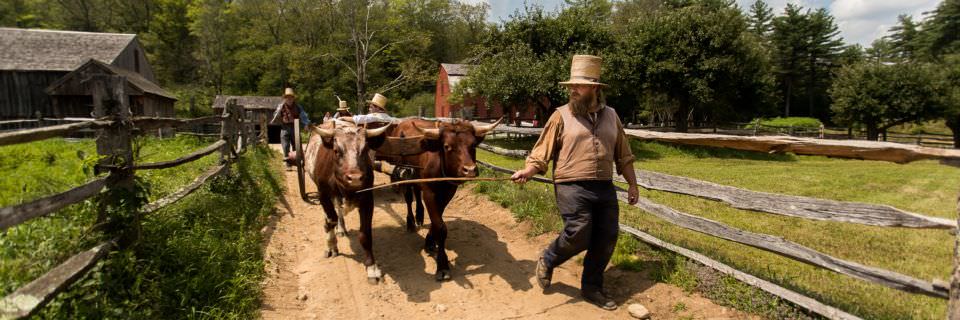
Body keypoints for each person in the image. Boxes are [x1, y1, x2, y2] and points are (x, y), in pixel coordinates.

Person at [510, 55, 640, 311]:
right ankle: (548, 258)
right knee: (579, 231)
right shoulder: (560, 115)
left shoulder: (612, 116)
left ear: (594, 88)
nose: (572, 90)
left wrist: (633, 184)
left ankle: (592, 288)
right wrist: (528, 171)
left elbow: (623, 154)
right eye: (571, 86)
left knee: (606, 236)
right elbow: (541, 151)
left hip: (604, 185)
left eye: (578, 85)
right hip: (571, 184)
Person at [270, 88, 311, 169]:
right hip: (284, 128)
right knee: (285, 146)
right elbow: (275, 116)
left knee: (297, 146)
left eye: (291, 97)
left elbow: (303, 116)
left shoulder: (298, 107)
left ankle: (299, 162)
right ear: (285, 98)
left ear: (293, 98)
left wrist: (306, 124)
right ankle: (288, 164)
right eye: (287, 97)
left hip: (295, 127)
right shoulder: (281, 106)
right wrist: (276, 118)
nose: (289, 99)